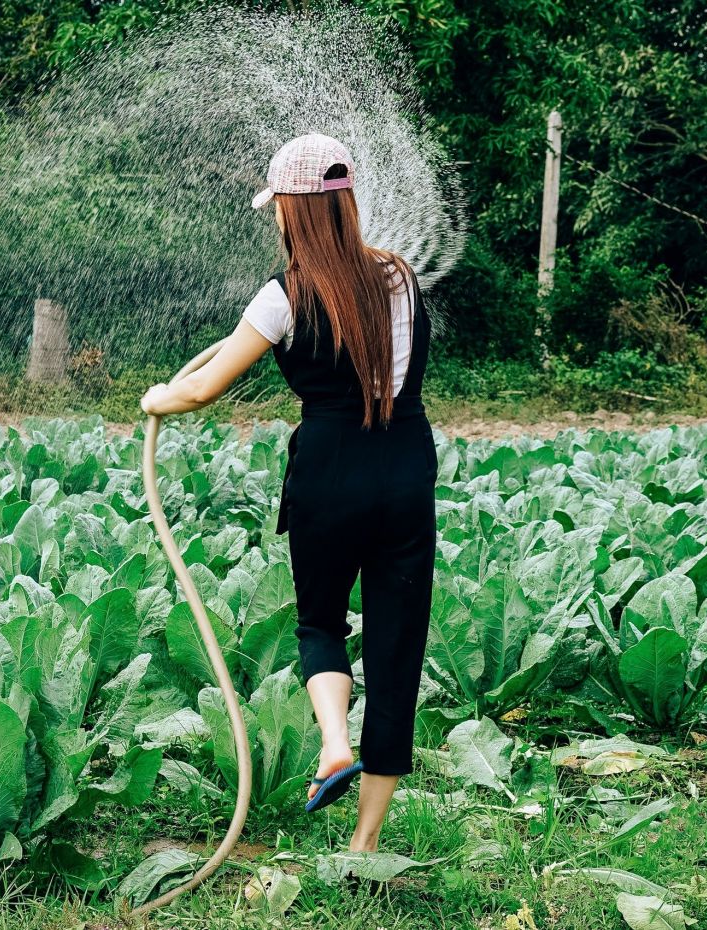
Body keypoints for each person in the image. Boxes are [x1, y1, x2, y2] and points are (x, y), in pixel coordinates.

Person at [140, 133, 437, 854]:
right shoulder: (399, 276)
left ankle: (335, 742)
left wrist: (158, 397)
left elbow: (205, 386)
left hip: (330, 473)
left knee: (321, 623)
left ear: (294, 213)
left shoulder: (284, 296)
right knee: (397, 651)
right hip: (404, 468)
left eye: (277, 208)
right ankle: (364, 846)